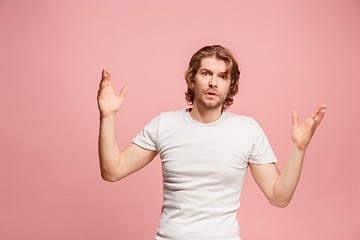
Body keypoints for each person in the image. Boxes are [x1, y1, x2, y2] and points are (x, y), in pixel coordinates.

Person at [97, 45, 326, 240]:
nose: (214, 82)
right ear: (192, 79)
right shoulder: (164, 124)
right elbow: (112, 170)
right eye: (206, 73)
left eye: (222, 76)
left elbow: (279, 197)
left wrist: (298, 149)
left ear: (230, 85)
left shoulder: (247, 130)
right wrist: (107, 117)